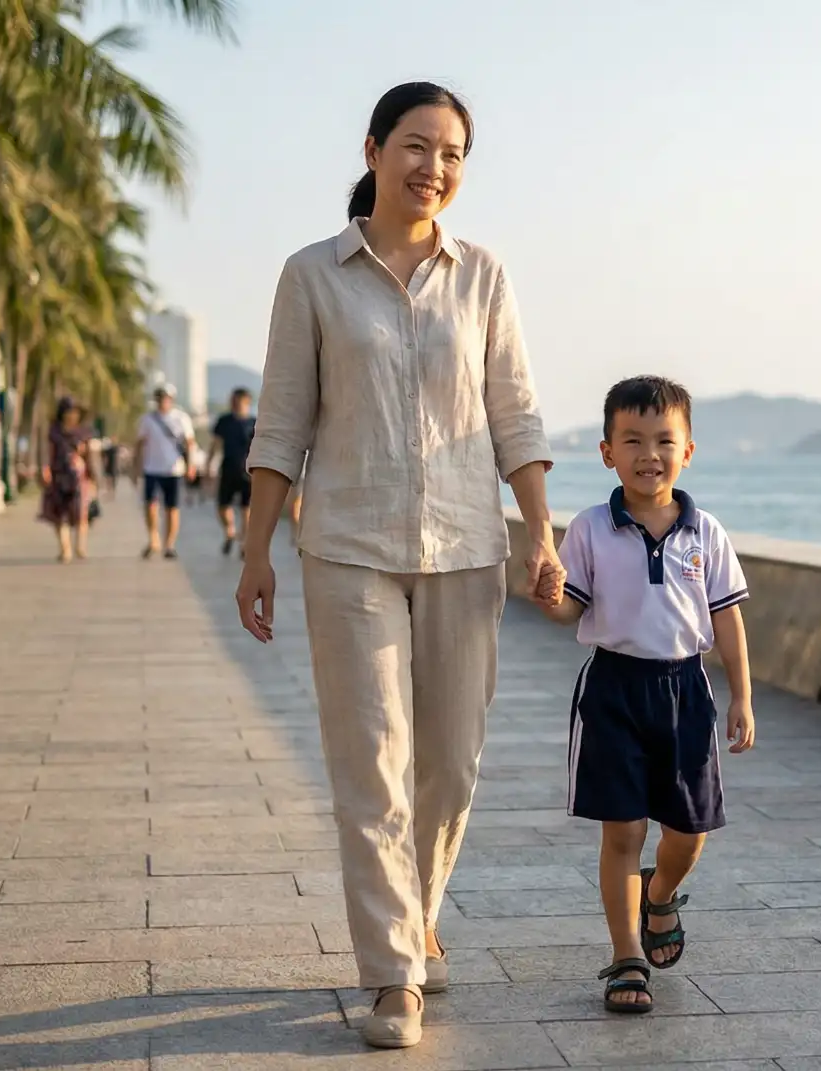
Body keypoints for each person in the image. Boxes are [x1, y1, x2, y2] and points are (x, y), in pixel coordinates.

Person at [233, 82, 559, 1050]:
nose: (435, 169)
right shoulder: (313, 275)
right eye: (417, 147)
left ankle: (419, 912)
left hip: (467, 544)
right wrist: (256, 549)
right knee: (372, 765)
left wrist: (539, 528)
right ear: (374, 149)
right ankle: (393, 975)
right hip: (349, 547)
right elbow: (282, 421)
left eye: (454, 153)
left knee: (450, 768)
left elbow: (517, 412)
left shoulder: (485, 274)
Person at [538, 376, 756, 1014]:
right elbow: (569, 608)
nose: (648, 453)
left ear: (687, 451)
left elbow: (728, 619)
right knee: (623, 831)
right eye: (631, 439)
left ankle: (659, 894)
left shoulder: (705, 533)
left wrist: (741, 696)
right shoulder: (588, 529)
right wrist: (548, 593)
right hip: (613, 688)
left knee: (688, 832)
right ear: (607, 451)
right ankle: (626, 954)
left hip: (686, 689)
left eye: (664, 440)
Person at [135, 384, 196, 559]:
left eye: (166, 398)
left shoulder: (181, 418)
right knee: (150, 506)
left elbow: (189, 443)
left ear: (172, 400)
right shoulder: (147, 419)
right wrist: (136, 466)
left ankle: (169, 544)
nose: (163, 401)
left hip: (174, 469)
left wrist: (190, 465)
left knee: (172, 508)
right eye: (160, 398)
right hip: (152, 468)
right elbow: (139, 443)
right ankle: (153, 538)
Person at [39, 397, 96, 563]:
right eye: (69, 412)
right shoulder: (54, 431)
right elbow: (48, 452)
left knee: (81, 514)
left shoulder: (83, 432)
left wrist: (92, 476)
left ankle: (81, 546)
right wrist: (45, 468)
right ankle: (65, 549)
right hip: (58, 476)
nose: (72, 415)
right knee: (59, 514)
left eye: (74, 412)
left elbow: (90, 456)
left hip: (79, 478)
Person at [209, 388, 256, 556]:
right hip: (228, 468)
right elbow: (215, 444)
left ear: (247, 402)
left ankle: (244, 543)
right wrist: (209, 465)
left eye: (239, 401)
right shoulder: (224, 421)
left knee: (247, 509)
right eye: (233, 401)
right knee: (223, 506)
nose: (235, 404)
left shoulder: (254, 423)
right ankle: (230, 531)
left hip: (249, 472)